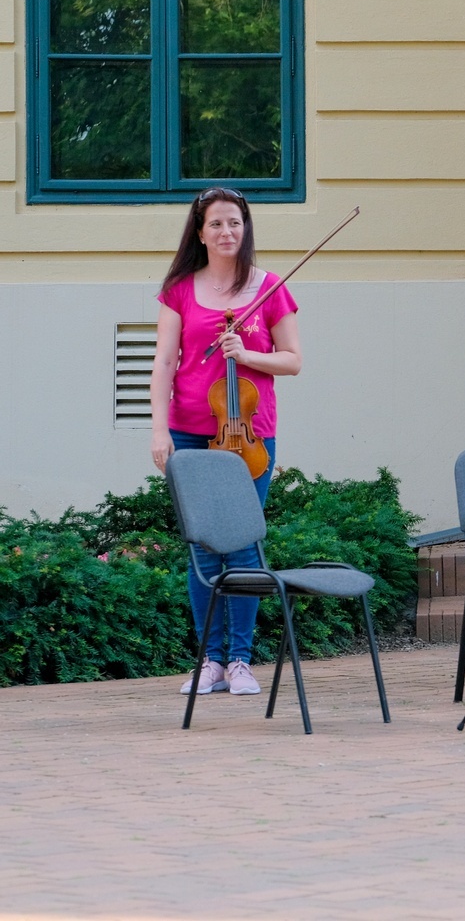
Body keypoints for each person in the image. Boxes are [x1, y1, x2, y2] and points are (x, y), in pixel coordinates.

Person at [150, 186, 302, 698]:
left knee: (242, 543)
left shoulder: (269, 287)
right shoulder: (179, 289)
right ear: (200, 232)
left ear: (245, 227)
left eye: (234, 222)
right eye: (215, 223)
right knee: (202, 547)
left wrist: (248, 354)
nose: (226, 232)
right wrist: (158, 429)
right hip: (190, 429)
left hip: (249, 434)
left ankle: (240, 660)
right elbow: (164, 363)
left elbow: (293, 360)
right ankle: (208, 661)